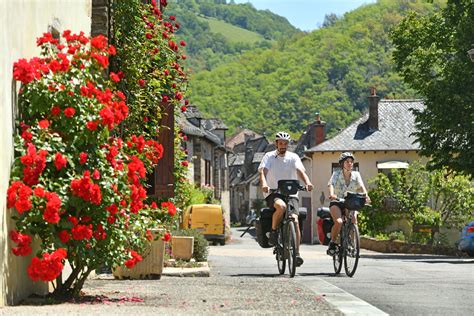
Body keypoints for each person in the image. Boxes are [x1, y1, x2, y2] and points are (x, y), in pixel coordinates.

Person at [258, 131, 313, 267]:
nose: (283, 146)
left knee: (294, 220)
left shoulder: (293, 157)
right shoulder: (269, 156)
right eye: (281, 143)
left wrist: (307, 182)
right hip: (274, 193)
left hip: (291, 194)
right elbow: (263, 172)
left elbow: (300, 171)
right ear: (276, 144)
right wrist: (264, 184)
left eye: (285, 144)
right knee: (281, 207)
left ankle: (297, 254)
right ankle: (274, 232)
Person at [327, 152, 370, 255]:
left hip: (350, 202)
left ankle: (352, 244)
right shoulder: (336, 174)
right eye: (347, 162)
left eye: (351, 162)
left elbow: (361, 187)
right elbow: (331, 184)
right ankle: (332, 242)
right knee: (339, 222)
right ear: (342, 163)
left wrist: (366, 196)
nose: (350, 164)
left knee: (353, 220)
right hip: (337, 201)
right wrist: (332, 194)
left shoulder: (356, 175)